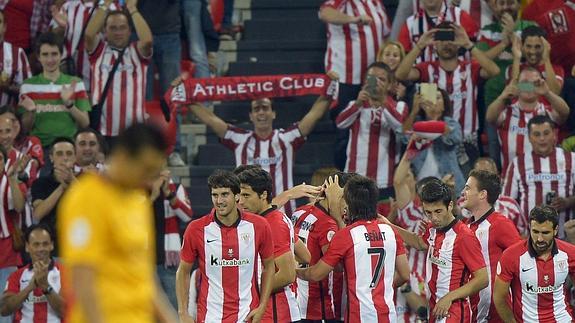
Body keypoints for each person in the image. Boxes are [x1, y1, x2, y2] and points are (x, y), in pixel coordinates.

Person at [58, 123, 177, 323]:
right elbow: (82, 280)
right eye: (145, 169)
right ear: (122, 156)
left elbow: (146, 279)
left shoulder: (138, 201)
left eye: (154, 171)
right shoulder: (86, 198)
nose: (148, 178)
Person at [184, 72, 337, 215]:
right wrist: (185, 95)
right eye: (257, 109)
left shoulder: (286, 138)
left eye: (265, 108)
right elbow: (211, 120)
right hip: (246, 214)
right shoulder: (240, 139)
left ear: (274, 113)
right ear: (251, 115)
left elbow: (314, 115)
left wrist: (328, 87)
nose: (261, 112)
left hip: (283, 213)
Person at [296, 175, 411, 322]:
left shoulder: (347, 235)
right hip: (388, 317)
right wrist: (380, 289)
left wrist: (295, 271)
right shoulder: (391, 232)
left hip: (359, 317)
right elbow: (405, 274)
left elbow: (315, 274)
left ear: (349, 203)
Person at [175, 170, 275, 323]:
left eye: (224, 194)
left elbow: (269, 267)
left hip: (247, 316)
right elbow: (183, 271)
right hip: (210, 318)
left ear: (237, 196)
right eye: (215, 195)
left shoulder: (259, 226)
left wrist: (262, 306)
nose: (219, 200)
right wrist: (183, 312)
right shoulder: (196, 229)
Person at [396, 23, 500, 167]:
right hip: (434, 140)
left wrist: (469, 44)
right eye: (441, 39)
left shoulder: (470, 68)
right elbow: (400, 74)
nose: (446, 44)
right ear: (434, 45)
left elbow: (494, 71)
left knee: (467, 187)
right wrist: (419, 46)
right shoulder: (427, 69)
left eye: (450, 38)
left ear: (458, 44)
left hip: (467, 142)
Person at [387, 180, 488, 322]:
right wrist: (388, 225)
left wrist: (449, 297)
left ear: (450, 206)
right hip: (435, 309)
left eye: (438, 211)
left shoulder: (464, 236)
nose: (433, 218)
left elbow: (483, 279)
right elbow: (419, 242)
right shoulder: (432, 228)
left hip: (454, 311)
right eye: (428, 212)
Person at [318, 0, 391, 170]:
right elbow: (325, 13)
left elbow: (386, 34)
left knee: (371, 128)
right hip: (344, 76)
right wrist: (354, 19)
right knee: (344, 132)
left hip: (371, 78)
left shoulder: (375, 2)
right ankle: (342, 181)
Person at [236, 167, 301, 322]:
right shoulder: (268, 219)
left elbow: (287, 275)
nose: (241, 201)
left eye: (246, 195)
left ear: (263, 195)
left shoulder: (273, 224)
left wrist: (248, 290)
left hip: (276, 314)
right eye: (239, 195)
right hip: (268, 312)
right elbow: (305, 256)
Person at [84, 0, 153, 143]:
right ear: (105, 31)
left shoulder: (137, 51)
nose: (118, 32)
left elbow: (147, 41)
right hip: (103, 133)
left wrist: (132, 9)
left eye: (122, 28)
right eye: (113, 28)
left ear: (129, 31)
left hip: (135, 134)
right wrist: (105, 5)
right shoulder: (99, 52)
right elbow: (89, 35)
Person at [336, 62, 407, 198]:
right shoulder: (355, 105)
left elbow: (399, 126)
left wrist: (384, 103)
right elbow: (340, 124)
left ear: (390, 85)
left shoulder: (399, 106)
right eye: (372, 78)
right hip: (354, 178)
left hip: (385, 180)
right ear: (365, 81)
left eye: (382, 79)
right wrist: (357, 104)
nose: (377, 83)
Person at [494, 205, 575, 322]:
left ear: (555, 230)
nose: (540, 239)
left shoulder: (570, 253)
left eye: (545, 233)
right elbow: (499, 297)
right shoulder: (511, 256)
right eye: (535, 232)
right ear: (530, 228)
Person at [291, 171, 354, 322]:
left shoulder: (299, 211)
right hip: (320, 310)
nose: (350, 207)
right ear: (338, 195)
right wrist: (339, 220)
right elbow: (340, 266)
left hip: (295, 304)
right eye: (349, 200)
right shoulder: (328, 224)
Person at [461, 169, 522, 322]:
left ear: (482, 194)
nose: (463, 192)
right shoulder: (466, 227)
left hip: (496, 313)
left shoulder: (500, 224)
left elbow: (522, 261)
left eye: (468, 188)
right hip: (473, 311)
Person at [503, 115, 575, 237]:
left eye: (546, 133)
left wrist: (568, 202)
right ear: (529, 138)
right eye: (537, 134)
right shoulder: (518, 163)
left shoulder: (572, 159)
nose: (542, 138)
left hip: (566, 236)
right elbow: (506, 203)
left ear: (554, 134)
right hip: (529, 237)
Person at [486, 67, 569, 172]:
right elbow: (490, 117)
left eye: (534, 83)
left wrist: (547, 93)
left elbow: (565, 112)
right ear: (517, 85)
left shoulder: (548, 113)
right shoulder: (506, 113)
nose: (529, 87)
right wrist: (503, 96)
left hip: (543, 177)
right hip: (512, 179)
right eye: (525, 83)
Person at [18, 32, 91, 149]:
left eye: (54, 54)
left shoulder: (76, 83)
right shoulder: (27, 86)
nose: (50, 59)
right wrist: (31, 112)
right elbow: (24, 128)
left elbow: (85, 123)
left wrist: (70, 105)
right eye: (45, 54)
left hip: (69, 147)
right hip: (39, 148)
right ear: (38, 57)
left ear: (61, 55)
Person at [401, 89, 466, 193]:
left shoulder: (452, 123)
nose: (433, 101)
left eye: (438, 98)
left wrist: (432, 117)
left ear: (444, 106)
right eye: (430, 97)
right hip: (421, 188)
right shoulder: (415, 122)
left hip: (451, 187)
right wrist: (414, 110)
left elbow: (455, 138)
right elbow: (403, 138)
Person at [0, 224, 64, 322]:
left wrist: (46, 287)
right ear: (27, 247)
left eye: (45, 244)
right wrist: (29, 288)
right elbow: (4, 310)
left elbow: (68, 311)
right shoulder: (16, 276)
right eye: (36, 244)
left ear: (52, 245)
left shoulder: (65, 274)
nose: (41, 249)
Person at [149, 167, 193, 308]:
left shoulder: (176, 187)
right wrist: (153, 195)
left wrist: (169, 194)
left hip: (169, 259)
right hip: (144, 258)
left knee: (173, 306)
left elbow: (187, 216)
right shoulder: (136, 187)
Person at [457, 157, 526, 235]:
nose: (482, 179)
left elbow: (522, 236)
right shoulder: (462, 205)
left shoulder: (509, 206)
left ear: (497, 176)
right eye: (478, 174)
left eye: (487, 174)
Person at [31, 137, 76, 256]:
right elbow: (38, 214)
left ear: (75, 157)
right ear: (51, 157)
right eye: (59, 154)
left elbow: (92, 206)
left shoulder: (85, 181)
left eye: (69, 153)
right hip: (53, 248)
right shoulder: (40, 183)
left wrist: (72, 181)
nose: (65, 158)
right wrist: (62, 187)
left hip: (79, 245)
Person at [398, 0, 478, 64]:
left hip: (460, 80)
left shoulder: (460, 16)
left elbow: (476, 55)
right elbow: (403, 61)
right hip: (421, 81)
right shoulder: (409, 24)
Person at [0, 144, 26, 323]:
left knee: (4, 307)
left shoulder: (9, 184)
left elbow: (19, 206)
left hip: (6, 250)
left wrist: (12, 179)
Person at [507, 26, 564, 95]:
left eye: (537, 47)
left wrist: (546, 59)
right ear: (522, 46)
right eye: (528, 46)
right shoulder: (512, 69)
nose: (532, 51)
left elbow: (554, 92)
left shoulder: (557, 70)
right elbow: (514, 91)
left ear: (545, 47)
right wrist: (517, 58)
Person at [0, 10, 31, 107]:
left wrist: (8, 87)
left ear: (4, 27)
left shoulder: (17, 53)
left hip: (6, 116)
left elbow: (28, 89)